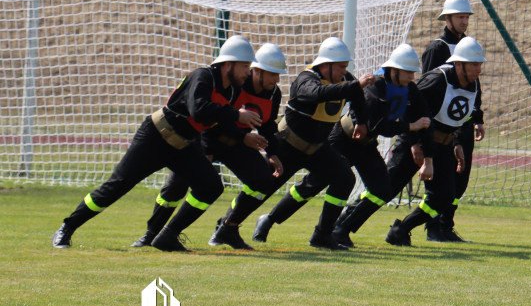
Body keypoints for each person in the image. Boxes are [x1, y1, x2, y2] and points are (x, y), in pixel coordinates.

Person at [52, 35, 260, 252]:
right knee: (116, 187)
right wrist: (236, 115)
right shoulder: (203, 76)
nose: (248, 72)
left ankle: (167, 236)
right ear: (228, 64)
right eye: (244, 66)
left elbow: (215, 122)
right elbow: (198, 109)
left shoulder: (232, 90)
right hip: (156, 136)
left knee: (211, 186)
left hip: (184, 145)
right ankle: (67, 227)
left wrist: (242, 135)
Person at [131, 43, 287, 250]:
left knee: (263, 181)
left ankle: (227, 228)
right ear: (257, 70)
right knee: (178, 186)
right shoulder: (236, 83)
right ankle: (151, 234)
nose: (277, 80)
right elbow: (210, 118)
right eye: (273, 74)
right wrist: (210, 150)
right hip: (207, 139)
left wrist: (272, 153)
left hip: (236, 145)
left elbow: (266, 124)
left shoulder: (273, 93)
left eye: (278, 75)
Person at [248, 37, 374, 250]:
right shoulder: (306, 79)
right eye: (341, 66)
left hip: (317, 148)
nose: (345, 71)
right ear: (326, 65)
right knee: (262, 185)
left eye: (346, 67)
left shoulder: (345, 80)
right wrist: (354, 85)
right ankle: (228, 225)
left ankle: (323, 235)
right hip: (287, 145)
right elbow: (318, 94)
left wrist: (360, 122)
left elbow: (357, 96)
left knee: (344, 178)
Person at [309, 43, 431, 248]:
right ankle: (271, 220)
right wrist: (410, 127)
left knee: (382, 190)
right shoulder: (376, 86)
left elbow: (424, 116)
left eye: (413, 72)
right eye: (409, 72)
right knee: (313, 184)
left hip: (366, 145)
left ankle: (340, 230)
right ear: (394, 70)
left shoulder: (409, 88)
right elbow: (378, 125)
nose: (412, 77)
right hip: (343, 139)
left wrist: (422, 147)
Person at [385, 36, 485, 246]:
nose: (479, 69)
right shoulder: (436, 79)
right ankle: (338, 228)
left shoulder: (472, 83)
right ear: (459, 64)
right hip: (417, 141)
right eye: (475, 64)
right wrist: (414, 143)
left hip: (442, 145)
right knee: (383, 190)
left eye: (480, 64)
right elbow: (410, 108)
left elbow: (458, 117)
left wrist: (456, 142)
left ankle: (401, 230)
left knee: (445, 195)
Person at [421, 0, 484, 240]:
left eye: (466, 16)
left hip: (463, 122)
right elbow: (425, 88)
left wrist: (477, 117)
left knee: (461, 178)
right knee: (440, 177)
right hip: (441, 127)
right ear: (447, 18)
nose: (464, 21)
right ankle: (433, 226)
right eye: (459, 16)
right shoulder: (437, 48)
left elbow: (474, 87)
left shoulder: (469, 46)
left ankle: (446, 225)